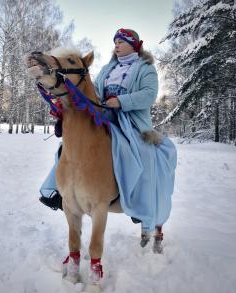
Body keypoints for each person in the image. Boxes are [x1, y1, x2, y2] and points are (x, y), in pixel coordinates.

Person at [39, 28, 177, 240]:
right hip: (104, 117)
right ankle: (57, 191)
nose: (117, 45)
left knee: (145, 155)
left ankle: (144, 207)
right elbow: (93, 91)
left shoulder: (145, 69)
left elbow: (149, 95)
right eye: (115, 41)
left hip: (132, 123)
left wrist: (122, 101)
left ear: (134, 45)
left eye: (121, 41)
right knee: (69, 147)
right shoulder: (107, 68)